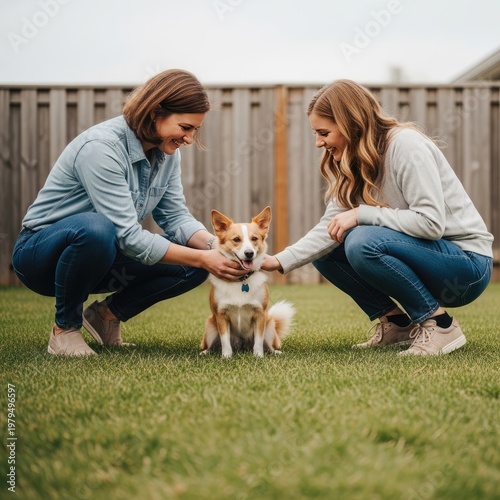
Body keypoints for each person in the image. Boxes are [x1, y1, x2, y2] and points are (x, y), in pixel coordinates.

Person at [12, 69, 247, 357]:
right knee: (97, 228)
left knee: (194, 263)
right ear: (155, 112)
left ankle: (106, 316)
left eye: (194, 130)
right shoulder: (101, 148)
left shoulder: (167, 154)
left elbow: (175, 217)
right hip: (40, 257)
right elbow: (128, 237)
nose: (188, 138)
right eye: (185, 127)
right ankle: (65, 330)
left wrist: (215, 249)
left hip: (100, 255)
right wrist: (204, 257)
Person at [262, 79, 493, 356]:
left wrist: (362, 214)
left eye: (323, 132)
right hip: (429, 261)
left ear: (350, 123)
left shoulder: (405, 146)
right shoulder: (352, 160)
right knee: (328, 245)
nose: (318, 142)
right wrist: (276, 261)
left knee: (361, 239)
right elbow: (329, 228)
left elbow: (431, 224)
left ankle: (440, 325)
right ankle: (397, 324)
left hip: (466, 267)